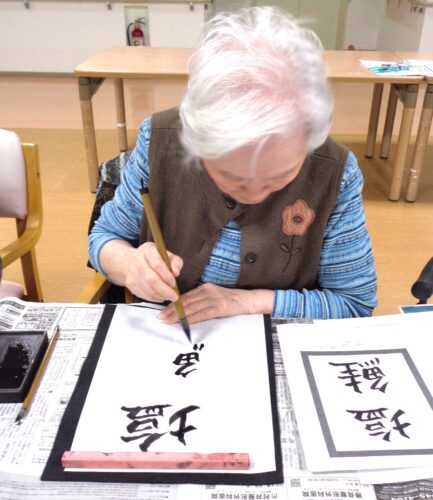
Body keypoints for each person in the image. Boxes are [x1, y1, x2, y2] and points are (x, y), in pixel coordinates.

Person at [89, 6, 377, 325]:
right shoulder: (159, 140)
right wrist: (129, 264)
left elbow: (354, 303)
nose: (254, 194)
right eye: (231, 176)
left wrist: (246, 301)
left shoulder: (335, 173)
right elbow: (105, 237)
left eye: (279, 176)